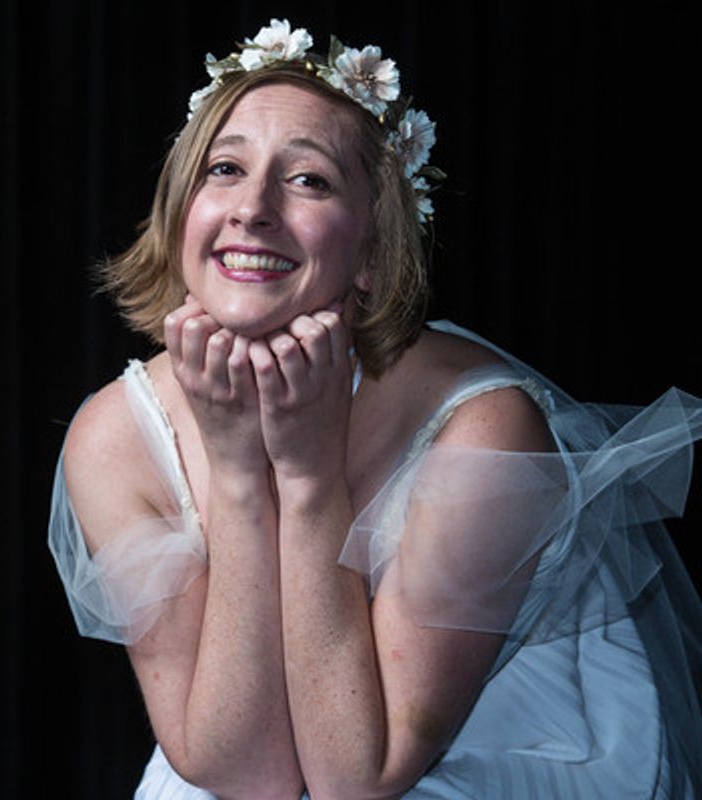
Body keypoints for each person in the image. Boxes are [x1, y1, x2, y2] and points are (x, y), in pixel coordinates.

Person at [48, 19, 702, 799]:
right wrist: (235, 474)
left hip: (475, 759)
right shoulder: (113, 437)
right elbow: (240, 771)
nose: (252, 208)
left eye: (308, 180)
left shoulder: (483, 427)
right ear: (179, 212)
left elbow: (358, 778)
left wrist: (307, 470)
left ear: (368, 255)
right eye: (225, 169)